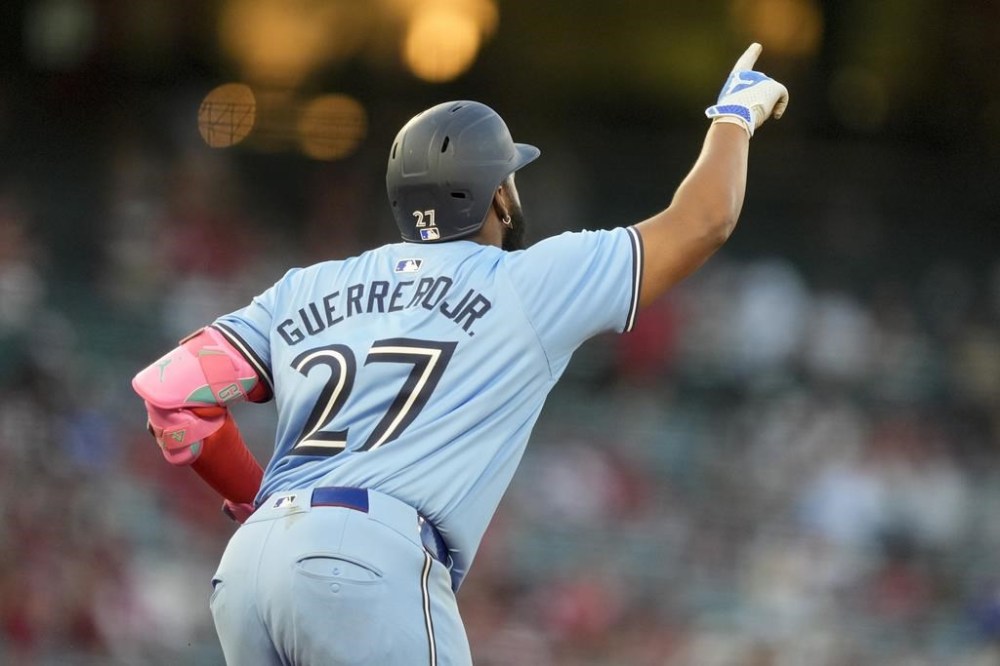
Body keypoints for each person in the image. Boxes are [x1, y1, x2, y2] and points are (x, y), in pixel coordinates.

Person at [131, 43, 787, 665]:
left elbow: (173, 395)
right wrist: (734, 117)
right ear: (498, 194)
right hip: (365, 563)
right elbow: (705, 219)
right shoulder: (528, 284)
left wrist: (262, 499)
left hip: (249, 573)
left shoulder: (304, 287)